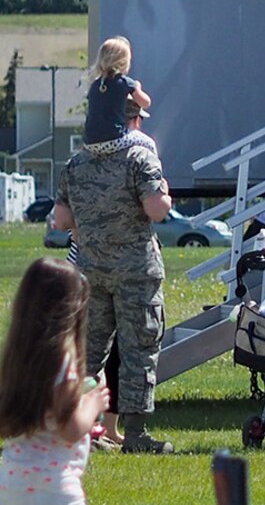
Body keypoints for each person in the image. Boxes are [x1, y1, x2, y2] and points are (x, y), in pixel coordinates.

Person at [50, 118, 174, 453]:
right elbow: (156, 210)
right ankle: (136, 434)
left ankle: (79, 429)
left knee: (87, 352)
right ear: (132, 121)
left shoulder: (76, 164)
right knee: (139, 351)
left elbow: (61, 221)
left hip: (90, 272)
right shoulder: (140, 157)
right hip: (136, 271)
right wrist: (165, 195)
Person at [0, 260, 112, 505]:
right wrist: (93, 403)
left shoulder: (17, 356)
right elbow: (70, 429)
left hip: (13, 482)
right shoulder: (63, 359)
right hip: (53, 487)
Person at [79, 37, 149, 149]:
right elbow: (146, 103)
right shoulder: (125, 82)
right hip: (114, 139)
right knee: (149, 143)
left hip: (90, 142)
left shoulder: (95, 85)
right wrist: (138, 87)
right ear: (124, 62)